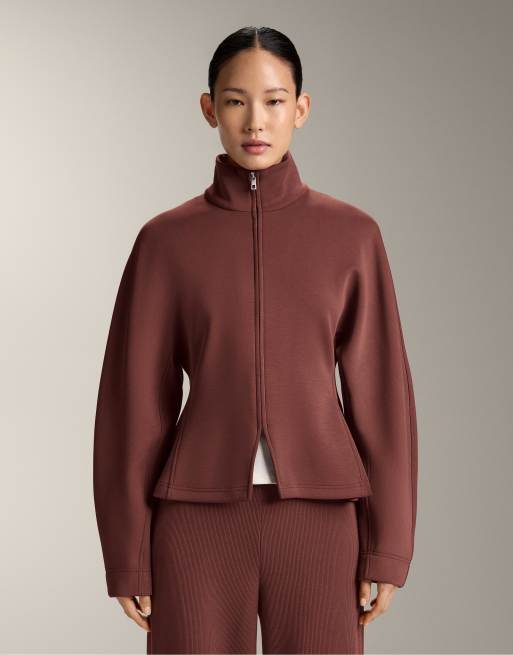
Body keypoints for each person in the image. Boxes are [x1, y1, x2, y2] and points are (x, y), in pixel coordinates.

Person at [93, 25, 418, 655]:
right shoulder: (165, 242)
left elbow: (382, 399)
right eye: (236, 101)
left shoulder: (353, 236)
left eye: (274, 100)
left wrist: (389, 544)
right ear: (209, 108)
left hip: (322, 520)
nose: (255, 121)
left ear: (301, 108)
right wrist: (127, 552)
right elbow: (133, 405)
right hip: (195, 521)